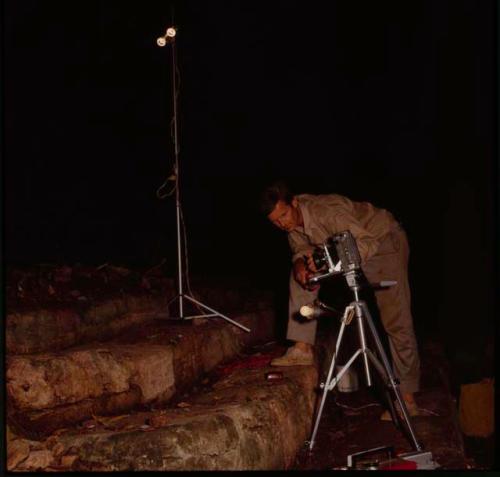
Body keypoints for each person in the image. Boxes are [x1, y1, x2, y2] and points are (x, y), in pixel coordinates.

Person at [260, 180, 421, 419]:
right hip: (346, 249)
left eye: (284, 215)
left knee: (395, 320)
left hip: (382, 242)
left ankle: (407, 398)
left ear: (294, 203)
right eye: (276, 221)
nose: (283, 223)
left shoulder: (327, 211)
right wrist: (300, 264)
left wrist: (327, 260)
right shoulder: (292, 224)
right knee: (302, 276)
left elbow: (366, 242)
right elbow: (300, 249)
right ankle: (302, 347)